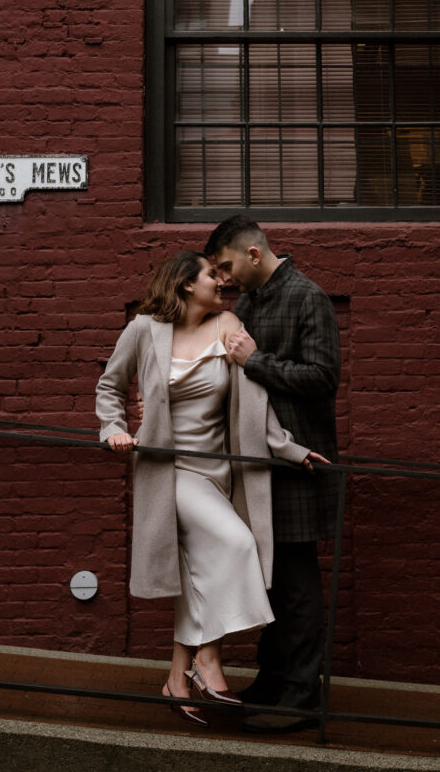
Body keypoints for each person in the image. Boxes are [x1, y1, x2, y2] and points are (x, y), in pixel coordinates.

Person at [96, 250, 326, 728]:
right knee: (238, 543)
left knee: (200, 575)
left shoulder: (228, 326)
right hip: (168, 472)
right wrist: (113, 429)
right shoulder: (144, 329)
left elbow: (254, 404)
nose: (221, 283)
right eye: (211, 275)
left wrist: (289, 449)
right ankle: (207, 659)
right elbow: (110, 385)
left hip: (217, 474)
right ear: (184, 284)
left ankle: (177, 679)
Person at [204, 216, 341, 733]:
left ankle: (302, 697)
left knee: (299, 586)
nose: (222, 277)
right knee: (274, 583)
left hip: (299, 465)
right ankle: (272, 682)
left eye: (226, 265)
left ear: (254, 254)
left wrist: (256, 361)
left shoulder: (308, 298)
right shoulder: (250, 303)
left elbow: (323, 378)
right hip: (256, 465)